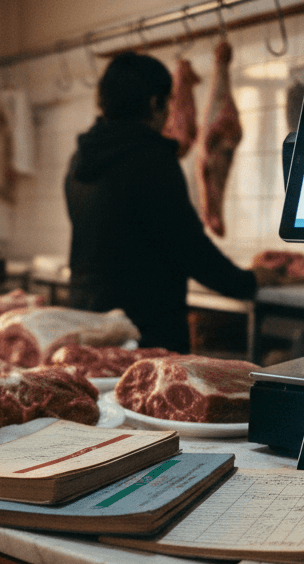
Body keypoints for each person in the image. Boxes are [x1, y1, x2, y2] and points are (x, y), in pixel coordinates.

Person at [64, 51, 270, 354]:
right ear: (154, 103)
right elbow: (188, 247)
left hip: (88, 323)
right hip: (145, 331)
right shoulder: (152, 160)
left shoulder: (79, 160)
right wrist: (248, 281)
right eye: (168, 102)